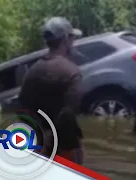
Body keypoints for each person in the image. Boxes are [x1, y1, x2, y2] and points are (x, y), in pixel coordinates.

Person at [18, 17, 84, 164]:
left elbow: (22, 108)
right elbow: (68, 115)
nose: (73, 41)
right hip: (63, 149)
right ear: (66, 39)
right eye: (72, 37)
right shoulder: (72, 72)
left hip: (37, 146)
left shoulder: (33, 70)